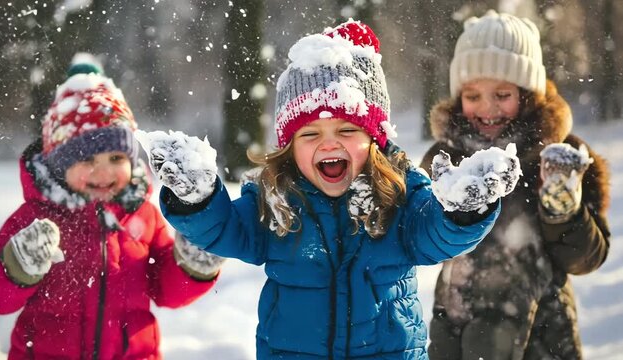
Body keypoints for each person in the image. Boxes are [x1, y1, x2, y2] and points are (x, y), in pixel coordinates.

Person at [136, 20, 522, 359]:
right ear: (290, 144)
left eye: (347, 130)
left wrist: (463, 212)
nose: (329, 144)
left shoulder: (401, 193)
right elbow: (228, 231)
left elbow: (435, 235)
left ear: (375, 140)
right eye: (310, 134)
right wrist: (199, 200)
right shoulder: (276, 197)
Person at [0, 54, 224, 359]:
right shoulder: (35, 217)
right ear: (59, 164)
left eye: (116, 159)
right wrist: (17, 266)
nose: (104, 172)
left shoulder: (143, 216)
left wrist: (192, 264)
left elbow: (167, 290)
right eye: (86, 160)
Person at [421, 10, 611, 360]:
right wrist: (448, 214)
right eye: (473, 95)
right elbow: (423, 243)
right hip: (456, 332)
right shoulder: (446, 158)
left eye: (502, 94)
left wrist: (563, 212)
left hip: (542, 338)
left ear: (527, 94)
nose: (487, 108)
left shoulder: (559, 156)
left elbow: (587, 259)